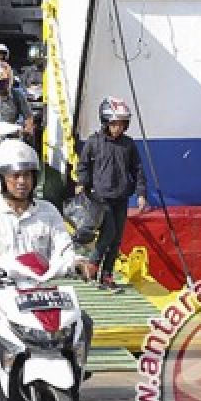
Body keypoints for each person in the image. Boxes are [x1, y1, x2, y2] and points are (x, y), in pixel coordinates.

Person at [0, 139, 96, 401]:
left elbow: (64, 249)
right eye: (15, 175)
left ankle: (71, 392)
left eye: (28, 175)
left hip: (39, 294)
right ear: (0, 177)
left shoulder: (48, 211)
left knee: (83, 324)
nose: (22, 182)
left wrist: (78, 263)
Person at [75, 97, 148, 292]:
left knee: (116, 239)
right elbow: (83, 165)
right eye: (114, 123)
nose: (118, 128)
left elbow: (138, 169)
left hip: (121, 196)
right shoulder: (94, 142)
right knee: (109, 232)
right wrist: (82, 183)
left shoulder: (128, 145)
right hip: (100, 197)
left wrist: (141, 193)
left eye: (122, 124)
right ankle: (93, 263)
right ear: (105, 122)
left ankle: (106, 275)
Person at [0, 61, 33, 138]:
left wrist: (27, 130)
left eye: (2, 83)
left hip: (12, 137)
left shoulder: (17, 95)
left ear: (9, 80)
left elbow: (28, 116)